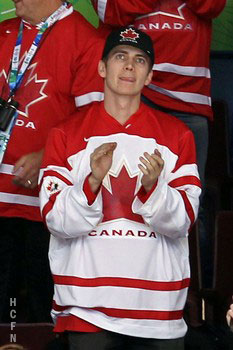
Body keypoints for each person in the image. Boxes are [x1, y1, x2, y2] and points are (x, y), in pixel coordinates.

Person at [39, 26, 201, 349]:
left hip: (159, 314)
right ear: (102, 68)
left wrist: (155, 189)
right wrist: (92, 182)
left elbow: (184, 219)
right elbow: (55, 219)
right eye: (120, 57)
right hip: (86, 310)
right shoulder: (65, 134)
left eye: (140, 60)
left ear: (150, 75)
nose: (129, 66)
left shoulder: (178, 136)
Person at [91, 0, 226, 288]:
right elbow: (107, 10)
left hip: (189, 102)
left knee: (188, 203)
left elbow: (212, 5)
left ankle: (191, 301)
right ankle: (120, 286)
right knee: (119, 194)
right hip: (134, 91)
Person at [0, 0, 107, 322]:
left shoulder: (86, 42)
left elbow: (95, 121)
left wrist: (48, 157)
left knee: (34, 316)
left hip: (46, 205)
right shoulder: (4, 33)